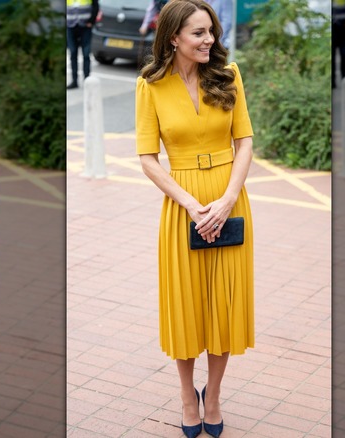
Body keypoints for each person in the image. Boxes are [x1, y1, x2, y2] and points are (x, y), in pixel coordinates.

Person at [136, 1, 254, 436]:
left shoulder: (229, 74)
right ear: (174, 39)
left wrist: (226, 200)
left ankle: (215, 394)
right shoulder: (150, 85)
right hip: (183, 204)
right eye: (199, 33)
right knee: (186, 306)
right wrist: (190, 203)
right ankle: (188, 395)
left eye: (211, 32)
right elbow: (148, 159)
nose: (210, 40)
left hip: (229, 197)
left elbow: (244, 142)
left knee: (222, 304)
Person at [67, 0, 99, 89]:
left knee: (86, 54)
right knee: (73, 53)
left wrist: (91, 21)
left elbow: (95, 6)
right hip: (70, 25)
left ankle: (87, 80)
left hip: (85, 26)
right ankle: (74, 81)